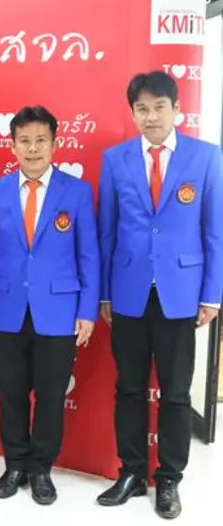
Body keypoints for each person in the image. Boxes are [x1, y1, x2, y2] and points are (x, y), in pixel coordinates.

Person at [96, 70, 223, 519]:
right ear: (133, 113)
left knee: (175, 393)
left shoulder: (206, 157)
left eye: (159, 107)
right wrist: (104, 293)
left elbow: (214, 231)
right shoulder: (115, 159)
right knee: (129, 388)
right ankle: (131, 472)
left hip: (181, 291)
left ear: (176, 109)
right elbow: (107, 231)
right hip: (128, 291)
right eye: (142, 109)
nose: (151, 117)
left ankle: (169, 478)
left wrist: (212, 295)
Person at [0, 106, 99, 505]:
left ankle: (41, 468)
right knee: (11, 394)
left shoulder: (76, 191)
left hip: (59, 311)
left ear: (54, 144)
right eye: (24, 141)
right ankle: (15, 465)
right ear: (13, 145)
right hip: (8, 308)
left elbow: (89, 256)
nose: (32, 149)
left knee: (49, 396)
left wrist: (86, 311)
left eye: (40, 140)